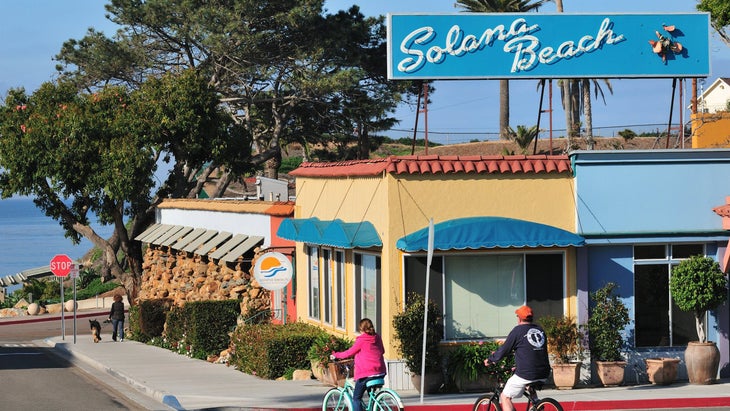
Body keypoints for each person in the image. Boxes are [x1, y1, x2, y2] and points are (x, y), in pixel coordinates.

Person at [484, 305, 550, 411]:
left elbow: (505, 349)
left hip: (527, 372)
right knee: (530, 386)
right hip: (544, 371)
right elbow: (530, 350)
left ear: (519, 318)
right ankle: (537, 404)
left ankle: (537, 405)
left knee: (504, 397)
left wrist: (490, 359)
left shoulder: (518, 331)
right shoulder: (540, 330)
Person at [330, 318, 387, 411]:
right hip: (380, 372)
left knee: (356, 398)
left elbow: (349, 353)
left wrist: (336, 355)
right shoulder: (377, 337)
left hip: (367, 374)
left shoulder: (361, 340)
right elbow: (382, 351)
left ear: (361, 330)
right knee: (371, 395)